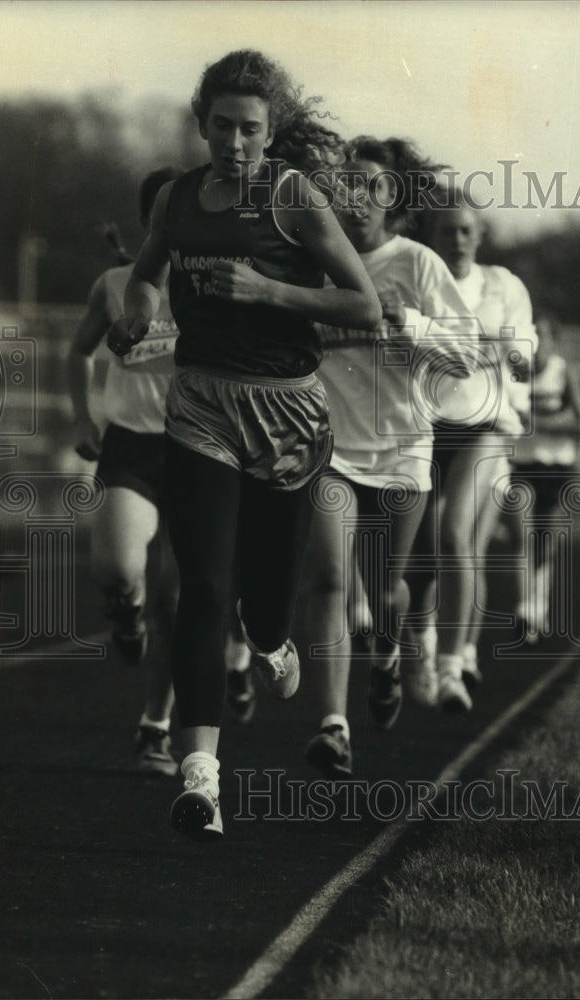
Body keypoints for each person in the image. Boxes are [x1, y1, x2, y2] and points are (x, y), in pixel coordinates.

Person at [106, 50, 381, 839]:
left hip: (288, 415)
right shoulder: (183, 199)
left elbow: (362, 306)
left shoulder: (293, 198)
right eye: (221, 126)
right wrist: (137, 313)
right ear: (201, 125)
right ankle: (201, 778)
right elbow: (146, 273)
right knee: (202, 586)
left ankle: (269, 636)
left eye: (250, 129)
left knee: (264, 600)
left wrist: (269, 291)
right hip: (200, 405)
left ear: (272, 130)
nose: (234, 143)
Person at [298, 137, 478, 778]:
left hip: (404, 451)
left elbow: (468, 357)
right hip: (331, 450)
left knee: (387, 592)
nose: (358, 198)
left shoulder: (419, 263)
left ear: (393, 197)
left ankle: (388, 658)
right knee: (328, 580)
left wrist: (410, 323)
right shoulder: (316, 258)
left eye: (372, 186)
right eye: (346, 185)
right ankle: (333, 727)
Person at [68, 167, 183, 776]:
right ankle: (125, 607)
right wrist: (83, 421)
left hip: (199, 451)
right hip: (132, 448)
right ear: (151, 222)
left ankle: (155, 728)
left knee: (178, 602)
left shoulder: (218, 280)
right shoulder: (114, 283)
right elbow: (78, 352)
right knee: (116, 569)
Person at [407, 190, 537, 711]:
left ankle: (455, 663)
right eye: (446, 232)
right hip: (423, 427)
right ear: (430, 238)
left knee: (456, 535)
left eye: (465, 231)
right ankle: (425, 647)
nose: (457, 241)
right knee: (419, 563)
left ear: (479, 235)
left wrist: (517, 357)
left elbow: (523, 345)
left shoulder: (503, 286)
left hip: (485, 428)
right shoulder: (418, 281)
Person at [506, 313, 580, 641]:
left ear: (554, 341)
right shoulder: (515, 372)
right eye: (532, 334)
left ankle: (538, 607)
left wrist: (540, 425)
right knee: (520, 535)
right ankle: (525, 607)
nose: (537, 342)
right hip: (522, 465)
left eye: (542, 335)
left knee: (545, 541)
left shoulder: (561, 372)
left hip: (556, 466)